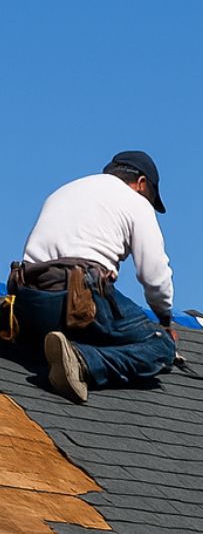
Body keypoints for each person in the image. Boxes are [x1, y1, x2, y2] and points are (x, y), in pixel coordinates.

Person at [7, 151, 177, 402]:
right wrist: (164, 322)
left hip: (29, 300)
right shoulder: (135, 201)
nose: (148, 202)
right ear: (141, 184)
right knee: (161, 348)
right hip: (78, 300)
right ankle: (81, 361)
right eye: (151, 196)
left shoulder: (65, 190)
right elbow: (154, 275)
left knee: (38, 344)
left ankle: (44, 345)